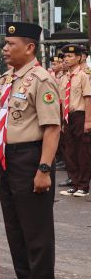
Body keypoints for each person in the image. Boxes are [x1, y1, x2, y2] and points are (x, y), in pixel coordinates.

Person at [0, 22, 60, 279]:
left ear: (30, 47)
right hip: (7, 159)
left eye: (11, 44)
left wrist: (44, 168)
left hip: (30, 158)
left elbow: (52, 127)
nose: (5, 48)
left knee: (36, 233)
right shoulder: (7, 79)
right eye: (5, 43)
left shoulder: (41, 79)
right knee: (15, 230)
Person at [58, 44, 91, 198]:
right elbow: (61, 101)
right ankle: (75, 183)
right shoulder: (64, 78)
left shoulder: (83, 75)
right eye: (65, 56)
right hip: (67, 117)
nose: (66, 59)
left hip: (80, 115)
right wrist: (61, 121)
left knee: (82, 151)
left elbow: (88, 98)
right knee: (69, 151)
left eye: (70, 56)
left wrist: (88, 121)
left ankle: (84, 186)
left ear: (78, 58)